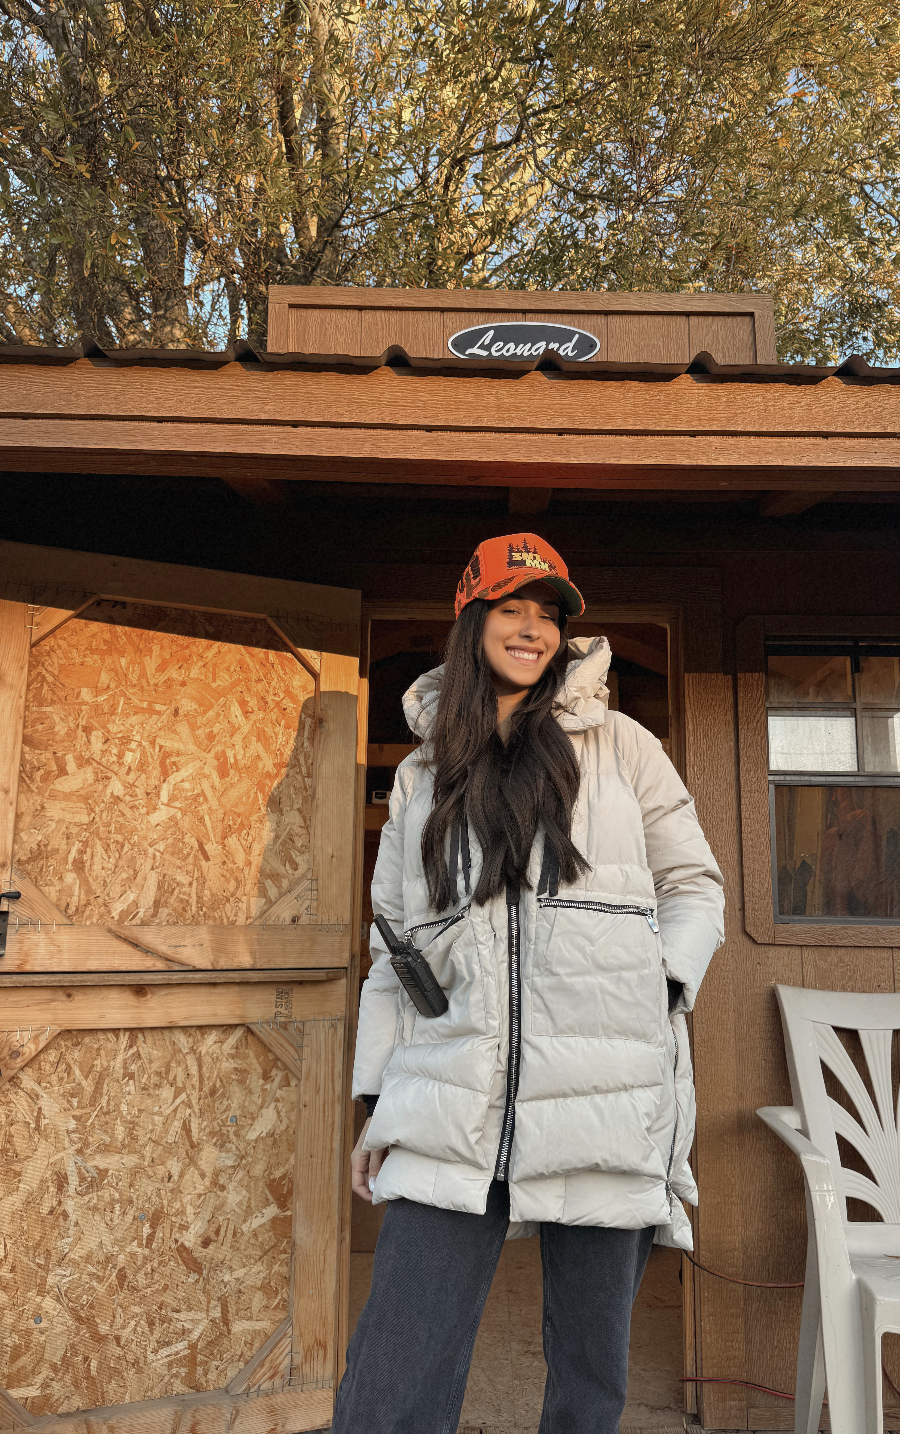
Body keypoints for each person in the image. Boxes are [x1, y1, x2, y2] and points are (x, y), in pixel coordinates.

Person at [333, 533, 725, 1434]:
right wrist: (375, 1100)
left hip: (608, 1092)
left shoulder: (622, 747)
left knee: (590, 1382)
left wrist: (659, 989)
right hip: (451, 1092)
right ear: (472, 623)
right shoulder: (423, 774)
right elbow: (395, 949)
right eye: (512, 608)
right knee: (389, 1385)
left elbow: (694, 887)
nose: (534, 629)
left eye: (549, 614)